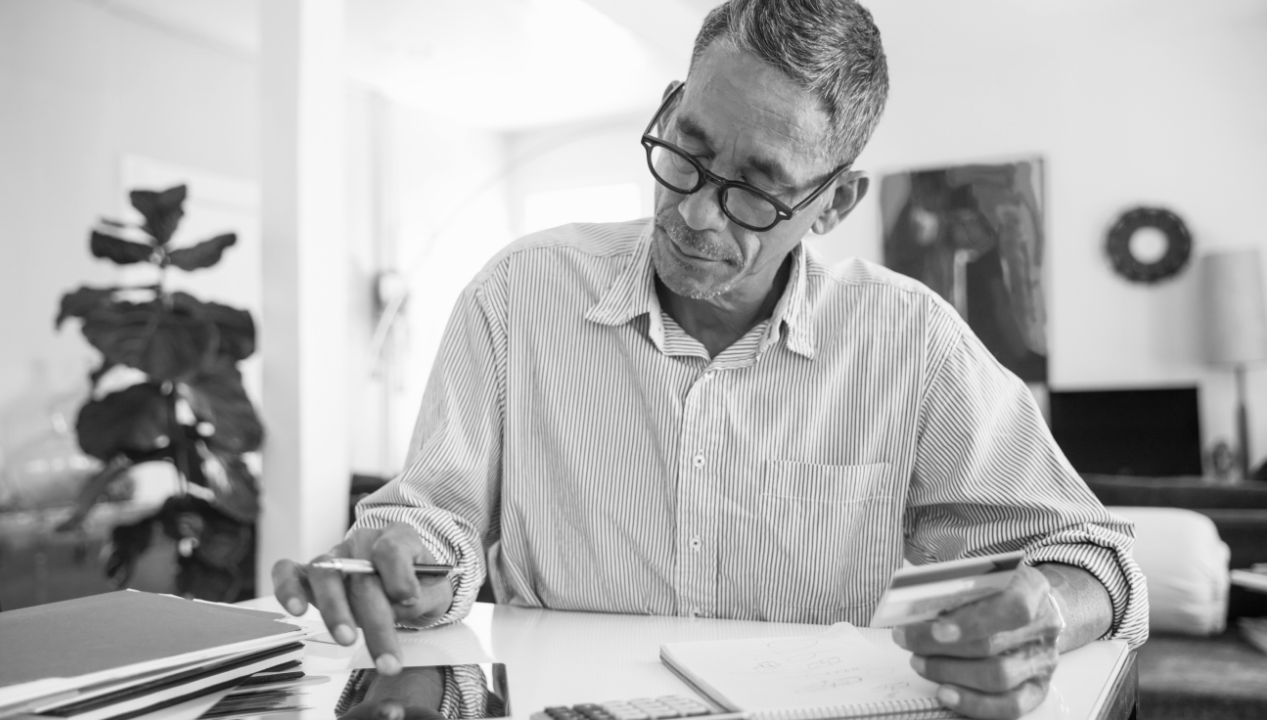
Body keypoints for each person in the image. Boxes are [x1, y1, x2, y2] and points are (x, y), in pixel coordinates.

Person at [273, 1, 1148, 718]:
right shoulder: (516, 297)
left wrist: (1047, 608)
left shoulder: (911, 341)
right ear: (669, 107)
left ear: (835, 202)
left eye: (758, 190)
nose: (693, 215)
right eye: (686, 153)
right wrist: (404, 557)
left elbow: (1098, 557)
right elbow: (436, 519)